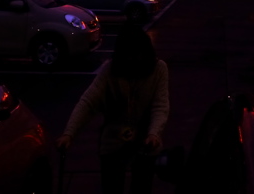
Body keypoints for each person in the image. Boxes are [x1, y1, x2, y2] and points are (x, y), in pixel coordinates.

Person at [57, 25, 170, 194]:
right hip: (113, 139)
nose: (134, 60)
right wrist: (69, 133)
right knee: (111, 184)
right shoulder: (110, 70)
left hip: (146, 140)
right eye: (129, 55)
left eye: (138, 54)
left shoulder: (158, 69)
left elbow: (160, 105)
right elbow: (88, 102)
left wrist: (154, 134)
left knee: (142, 184)